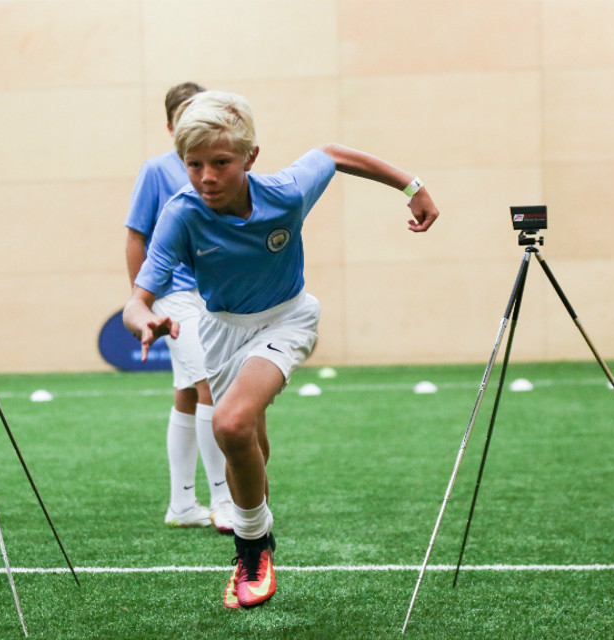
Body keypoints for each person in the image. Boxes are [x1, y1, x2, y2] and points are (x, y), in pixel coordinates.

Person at [123, 91, 440, 610]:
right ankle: (254, 532)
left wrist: (413, 186)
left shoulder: (287, 193)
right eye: (194, 165)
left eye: (220, 163)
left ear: (250, 157)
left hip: (288, 318)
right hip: (221, 329)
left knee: (229, 423)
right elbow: (136, 301)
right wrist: (145, 320)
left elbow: (333, 154)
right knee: (250, 444)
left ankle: (252, 548)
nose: (206, 177)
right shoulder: (181, 214)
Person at [124, 82, 232, 531]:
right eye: (184, 115)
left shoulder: (222, 167)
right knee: (211, 386)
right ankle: (224, 498)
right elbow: (136, 236)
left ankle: (182, 505)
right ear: (171, 127)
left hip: (212, 297)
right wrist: (142, 302)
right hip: (173, 295)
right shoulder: (156, 170)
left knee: (188, 392)